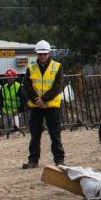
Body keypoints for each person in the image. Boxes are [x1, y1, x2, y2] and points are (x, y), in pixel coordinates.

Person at [20, 40, 69, 170]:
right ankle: (33, 160)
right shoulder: (31, 68)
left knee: (55, 134)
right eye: (40, 54)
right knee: (35, 134)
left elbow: (57, 86)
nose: (42, 56)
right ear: (37, 54)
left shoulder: (57, 66)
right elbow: (27, 85)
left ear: (48, 53)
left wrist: (44, 99)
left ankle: (59, 160)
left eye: (45, 54)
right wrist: (36, 100)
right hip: (36, 106)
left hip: (52, 106)